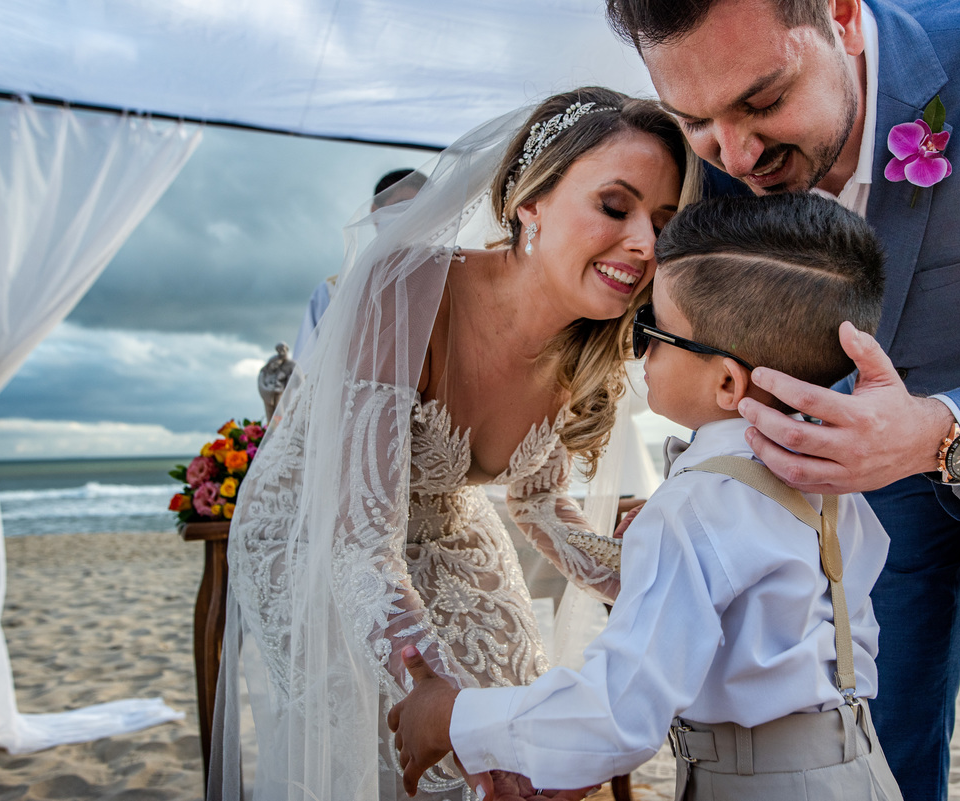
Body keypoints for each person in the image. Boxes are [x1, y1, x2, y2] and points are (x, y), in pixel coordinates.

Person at [603, 0, 960, 798]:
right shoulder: (717, 151)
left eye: (763, 102)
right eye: (696, 120)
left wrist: (944, 429)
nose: (735, 153)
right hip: (861, 490)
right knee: (878, 745)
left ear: (839, 14)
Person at [209, 86, 695, 801]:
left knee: (510, 700)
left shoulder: (595, 342)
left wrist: (644, 575)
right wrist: (441, 694)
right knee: (407, 750)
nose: (645, 246)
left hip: (443, 523)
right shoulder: (405, 288)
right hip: (313, 530)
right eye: (615, 208)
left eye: (663, 221)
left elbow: (539, 506)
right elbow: (359, 544)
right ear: (530, 201)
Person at [389, 192, 901, 800]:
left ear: (728, 382)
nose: (640, 350)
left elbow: (619, 715)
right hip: (859, 771)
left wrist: (452, 717)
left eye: (653, 330)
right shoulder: (839, 489)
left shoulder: (691, 508)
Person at [292, 169, 428, 362]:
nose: (411, 215)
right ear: (375, 211)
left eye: (424, 207)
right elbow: (303, 371)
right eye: (401, 205)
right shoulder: (333, 292)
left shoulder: (444, 286)